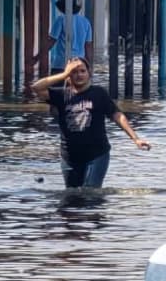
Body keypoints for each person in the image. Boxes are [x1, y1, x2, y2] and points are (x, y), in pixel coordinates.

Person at [30, 57, 150, 187]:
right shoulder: (62, 95)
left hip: (97, 155)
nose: (79, 75)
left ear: (89, 73)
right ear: (69, 76)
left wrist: (135, 139)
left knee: (90, 193)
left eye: (82, 71)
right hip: (69, 157)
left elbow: (117, 115)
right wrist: (64, 74)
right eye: (74, 72)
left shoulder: (99, 93)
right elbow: (36, 88)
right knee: (72, 197)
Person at [43, 0, 93, 74]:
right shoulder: (86, 22)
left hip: (61, 65)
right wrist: (89, 66)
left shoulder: (61, 20)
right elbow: (88, 46)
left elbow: (51, 41)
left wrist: (37, 58)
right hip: (79, 65)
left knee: (57, 86)